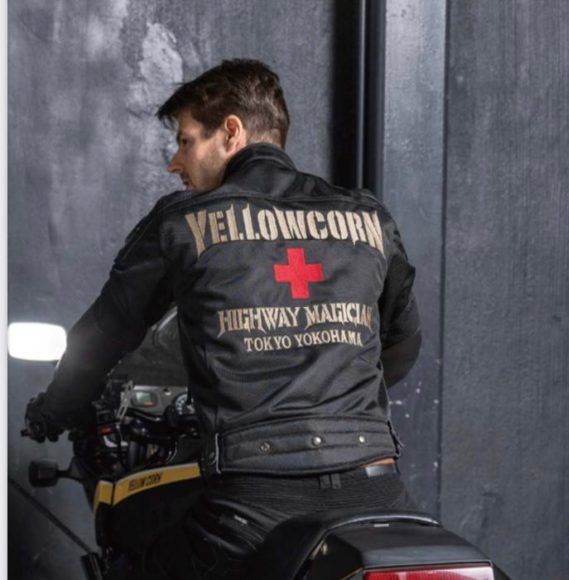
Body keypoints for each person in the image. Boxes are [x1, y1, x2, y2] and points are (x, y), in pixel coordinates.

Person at [23, 59, 422, 578]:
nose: (175, 162)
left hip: (252, 507)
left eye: (185, 141)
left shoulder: (183, 222)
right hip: (379, 494)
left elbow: (104, 334)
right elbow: (401, 343)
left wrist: (54, 410)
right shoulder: (369, 218)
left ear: (231, 132)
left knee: (130, 548)